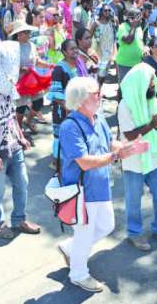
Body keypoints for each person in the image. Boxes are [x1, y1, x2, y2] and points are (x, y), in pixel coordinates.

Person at [57, 76, 148, 293]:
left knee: (106, 226)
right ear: (80, 100)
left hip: (100, 186)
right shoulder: (70, 126)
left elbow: (109, 142)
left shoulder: (97, 118)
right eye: (95, 94)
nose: (100, 97)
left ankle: (70, 248)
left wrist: (127, 147)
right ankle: (78, 274)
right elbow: (84, 162)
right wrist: (116, 156)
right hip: (82, 191)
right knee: (85, 234)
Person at [0, 40, 41, 239]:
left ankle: (19, 219)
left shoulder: (8, 85)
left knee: (22, 183)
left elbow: (11, 114)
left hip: (14, 146)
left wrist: (20, 135)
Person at [118, 63, 157, 251]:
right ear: (140, 83)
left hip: (153, 156)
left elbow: (155, 122)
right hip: (134, 160)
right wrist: (152, 125)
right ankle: (134, 234)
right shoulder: (125, 104)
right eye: (150, 81)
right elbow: (129, 135)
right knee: (134, 201)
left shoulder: (151, 99)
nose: (154, 84)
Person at [10, 20, 53, 134]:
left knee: (39, 101)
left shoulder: (32, 45)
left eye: (28, 31)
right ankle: (19, 130)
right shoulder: (13, 47)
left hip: (32, 80)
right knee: (21, 106)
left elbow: (37, 60)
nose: (28, 34)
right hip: (20, 80)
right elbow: (9, 65)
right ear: (18, 34)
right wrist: (21, 69)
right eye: (25, 32)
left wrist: (49, 65)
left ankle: (28, 120)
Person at [47, 39, 84, 167]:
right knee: (60, 136)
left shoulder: (78, 65)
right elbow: (55, 94)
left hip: (76, 108)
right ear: (64, 52)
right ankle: (56, 162)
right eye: (71, 49)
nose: (75, 51)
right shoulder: (59, 69)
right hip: (63, 110)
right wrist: (68, 107)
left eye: (76, 48)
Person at [90, 4, 116, 87]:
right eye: (105, 10)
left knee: (104, 73)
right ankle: (96, 89)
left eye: (109, 10)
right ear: (101, 12)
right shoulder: (96, 24)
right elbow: (89, 36)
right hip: (98, 51)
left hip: (109, 51)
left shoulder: (111, 22)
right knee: (99, 73)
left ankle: (99, 89)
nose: (107, 12)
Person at [115, 8, 144, 83]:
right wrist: (133, 26)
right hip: (125, 64)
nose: (141, 21)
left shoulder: (139, 28)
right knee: (124, 86)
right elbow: (128, 40)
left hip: (137, 63)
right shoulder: (123, 27)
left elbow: (140, 42)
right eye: (139, 18)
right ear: (131, 19)